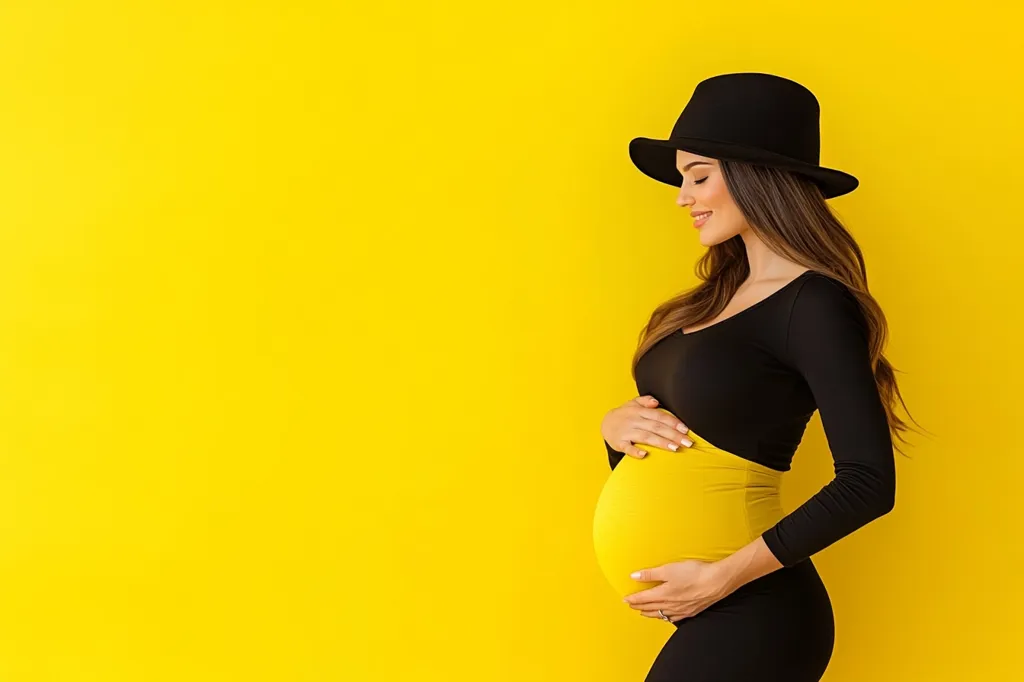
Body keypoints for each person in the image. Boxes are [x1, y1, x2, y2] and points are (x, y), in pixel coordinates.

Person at [598, 73, 922, 681]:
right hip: (710, 607)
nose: (681, 196)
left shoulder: (814, 304)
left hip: (753, 606)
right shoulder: (707, 301)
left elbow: (869, 481)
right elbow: (680, 456)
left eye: (698, 175)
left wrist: (719, 578)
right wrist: (614, 430)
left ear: (756, 176)